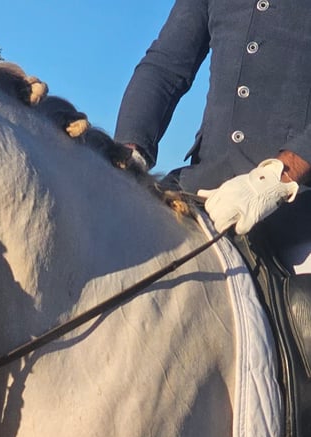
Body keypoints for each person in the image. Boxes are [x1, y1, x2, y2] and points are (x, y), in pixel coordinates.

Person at [114, 0, 311, 274]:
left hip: (298, 211)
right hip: (202, 188)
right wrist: (127, 154)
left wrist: (280, 175)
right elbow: (165, 67)